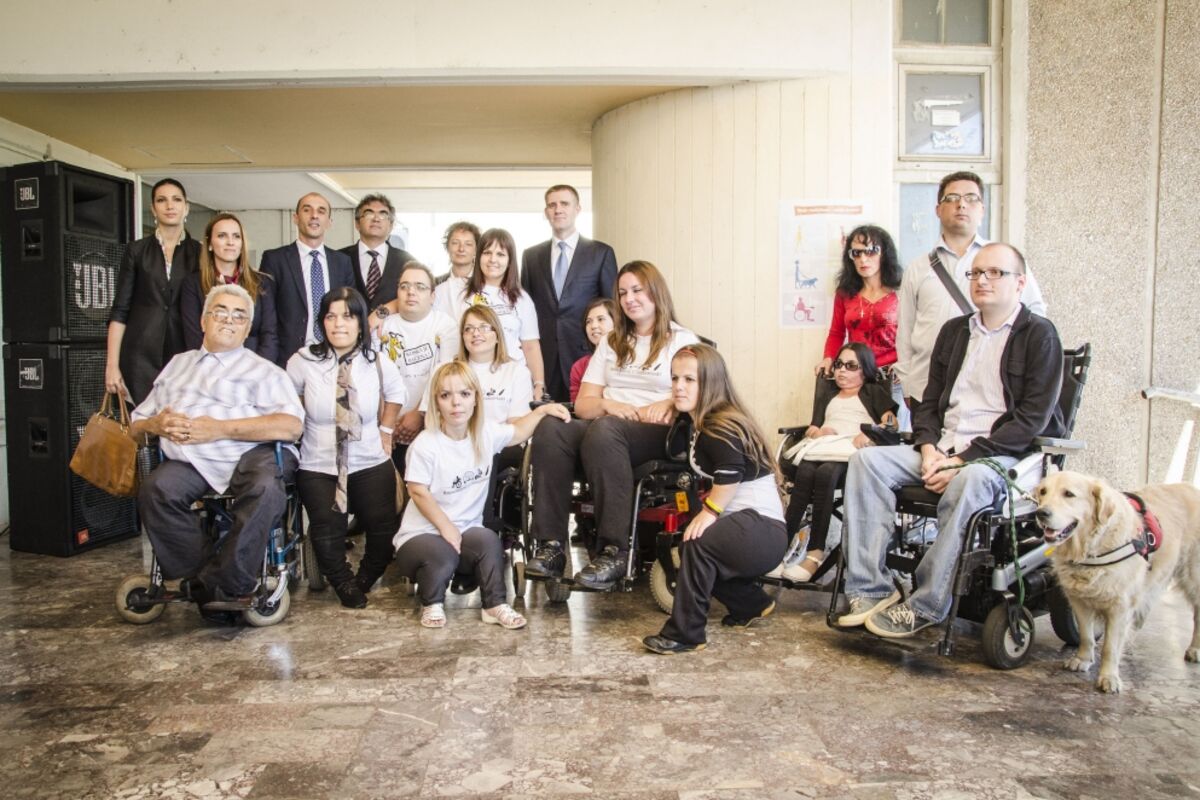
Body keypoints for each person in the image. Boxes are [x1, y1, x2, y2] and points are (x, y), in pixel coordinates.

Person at [838, 243, 1065, 638]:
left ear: (1020, 283)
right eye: (976, 273)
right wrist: (929, 448)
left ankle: (925, 604)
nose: (982, 280)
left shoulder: (1039, 335)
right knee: (865, 462)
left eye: (995, 272)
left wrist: (961, 461)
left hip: (1003, 456)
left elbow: (1031, 420)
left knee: (971, 480)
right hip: (944, 448)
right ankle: (870, 590)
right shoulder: (955, 332)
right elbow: (928, 404)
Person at [524, 260, 700, 590]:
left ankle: (614, 551)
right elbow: (584, 404)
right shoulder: (613, 341)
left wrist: (670, 403)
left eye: (637, 290)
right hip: (608, 427)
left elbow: (700, 390)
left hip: (658, 430)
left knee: (605, 431)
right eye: (622, 292)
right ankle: (551, 546)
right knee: (551, 427)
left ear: (656, 292)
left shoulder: (681, 340)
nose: (629, 299)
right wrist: (608, 404)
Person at [132, 284, 304, 619]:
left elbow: (291, 426)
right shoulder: (177, 365)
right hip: (190, 459)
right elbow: (136, 426)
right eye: (220, 312)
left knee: (266, 489)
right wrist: (157, 424)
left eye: (239, 316)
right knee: (155, 489)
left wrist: (219, 429)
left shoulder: (265, 371)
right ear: (203, 320)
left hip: (251, 453)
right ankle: (209, 579)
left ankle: (221, 582)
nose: (229, 320)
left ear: (247, 328)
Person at [393, 361, 570, 629]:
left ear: (476, 398)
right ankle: (432, 603)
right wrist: (447, 527)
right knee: (443, 553)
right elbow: (417, 492)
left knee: (488, 540)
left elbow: (519, 431)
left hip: (465, 530)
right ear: (436, 402)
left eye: (464, 394)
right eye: (446, 395)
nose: (456, 403)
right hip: (420, 536)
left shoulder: (485, 434)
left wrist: (542, 410)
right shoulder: (426, 444)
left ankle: (494, 605)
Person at [643, 344, 787, 654]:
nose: (679, 386)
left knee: (698, 544)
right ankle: (751, 604)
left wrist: (709, 512)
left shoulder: (719, 424)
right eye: (674, 378)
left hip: (761, 528)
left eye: (689, 380)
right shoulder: (703, 419)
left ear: (711, 382)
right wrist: (671, 403)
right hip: (756, 527)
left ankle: (686, 634)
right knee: (692, 547)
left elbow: (730, 473)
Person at [287, 287, 405, 609]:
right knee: (326, 530)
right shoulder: (303, 361)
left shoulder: (376, 361)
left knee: (383, 528)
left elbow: (396, 394)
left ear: (360, 322)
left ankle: (365, 577)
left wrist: (385, 430)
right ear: (322, 322)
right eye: (331, 316)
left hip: (368, 458)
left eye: (348, 316)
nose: (339, 324)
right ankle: (342, 581)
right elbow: (287, 398)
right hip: (318, 462)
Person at [895, 171, 1047, 408]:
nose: (961, 204)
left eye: (971, 198)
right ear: (938, 209)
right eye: (952, 198)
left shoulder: (1005, 259)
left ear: (982, 210)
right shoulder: (918, 267)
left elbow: (1035, 314)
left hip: (988, 390)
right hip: (925, 388)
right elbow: (905, 330)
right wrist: (907, 382)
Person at [769, 342, 897, 582]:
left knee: (826, 473)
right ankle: (778, 550)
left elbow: (891, 423)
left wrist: (870, 434)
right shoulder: (828, 394)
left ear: (865, 370)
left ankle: (815, 554)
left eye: (851, 366)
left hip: (851, 454)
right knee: (805, 471)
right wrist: (818, 431)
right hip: (824, 448)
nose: (842, 370)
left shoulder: (872, 392)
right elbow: (814, 427)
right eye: (839, 364)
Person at [105, 178, 200, 404]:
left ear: (186, 207)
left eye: (176, 200)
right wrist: (111, 365)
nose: (170, 206)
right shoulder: (136, 251)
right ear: (153, 209)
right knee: (141, 422)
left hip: (184, 354)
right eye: (162, 200)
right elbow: (120, 310)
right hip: (139, 355)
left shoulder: (200, 253)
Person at [521, 185, 618, 402]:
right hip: (544, 359)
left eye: (564, 204)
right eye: (552, 205)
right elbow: (526, 310)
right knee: (546, 419)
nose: (558, 209)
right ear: (546, 212)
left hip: (588, 356)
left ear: (577, 209)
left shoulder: (601, 253)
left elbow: (612, 309)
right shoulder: (531, 256)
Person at [374, 262, 460, 474]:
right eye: (404, 286)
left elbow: (444, 375)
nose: (411, 292)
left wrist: (419, 415)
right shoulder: (382, 325)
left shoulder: (446, 326)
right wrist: (386, 423)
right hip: (384, 427)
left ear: (432, 296)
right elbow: (372, 376)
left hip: (430, 424)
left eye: (420, 287)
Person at [434, 227, 545, 392]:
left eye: (500, 254)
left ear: (510, 260)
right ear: (478, 256)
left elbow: (531, 346)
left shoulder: (521, 298)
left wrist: (539, 384)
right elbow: (417, 299)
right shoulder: (456, 289)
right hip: (467, 382)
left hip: (511, 382)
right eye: (487, 253)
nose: (493, 259)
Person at [819, 225, 906, 428]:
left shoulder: (901, 291)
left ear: (884, 253)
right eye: (856, 253)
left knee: (891, 433)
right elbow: (836, 333)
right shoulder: (845, 293)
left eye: (871, 251)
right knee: (855, 432)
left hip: (894, 378)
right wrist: (828, 358)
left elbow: (914, 333)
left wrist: (907, 365)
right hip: (857, 377)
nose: (863, 259)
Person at [457, 305, 533, 529]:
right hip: (456, 444)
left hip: (502, 445)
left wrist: (485, 436)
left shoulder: (516, 371)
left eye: (483, 327)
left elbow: (516, 425)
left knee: (485, 449)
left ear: (497, 335)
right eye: (469, 329)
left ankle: (481, 523)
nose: (476, 333)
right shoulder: (450, 371)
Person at [259, 192, 355, 366]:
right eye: (307, 210)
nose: (314, 215)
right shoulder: (274, 259)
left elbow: (350, 311)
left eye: (321, 211)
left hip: (333, 357)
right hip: (288, 358)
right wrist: (267, 363)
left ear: (329, 222)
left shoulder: (342, 262)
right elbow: (268, 317)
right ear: (295, 218)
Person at [181, 213, 277, 359]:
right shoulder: (193, 284)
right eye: (222, 236)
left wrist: (257, 368)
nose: (230, 242)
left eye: (236, 236)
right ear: (210, 243)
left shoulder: (262, 282)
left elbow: (270, 335)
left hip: (254, 366)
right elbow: (193, 337)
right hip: (210, 368)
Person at [338, 193, 416, 311]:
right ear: (357, 223)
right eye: (369, 214)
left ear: (391, 225)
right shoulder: (339, 258)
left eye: (383, 215)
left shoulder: (407, 261)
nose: (376, 219)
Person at [569, 298, 617, 402]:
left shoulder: (630, 360)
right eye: (588, 322)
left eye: (600, 319)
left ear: (617, 322)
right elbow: (577, 405)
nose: (593, 326)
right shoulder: (579, 366)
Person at [436, 221, 480, 287]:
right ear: (447, 247)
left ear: (476, 250)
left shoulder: (487, 283)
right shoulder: (435, 284)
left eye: (468, 244)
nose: (461, 249)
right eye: (455, 243)